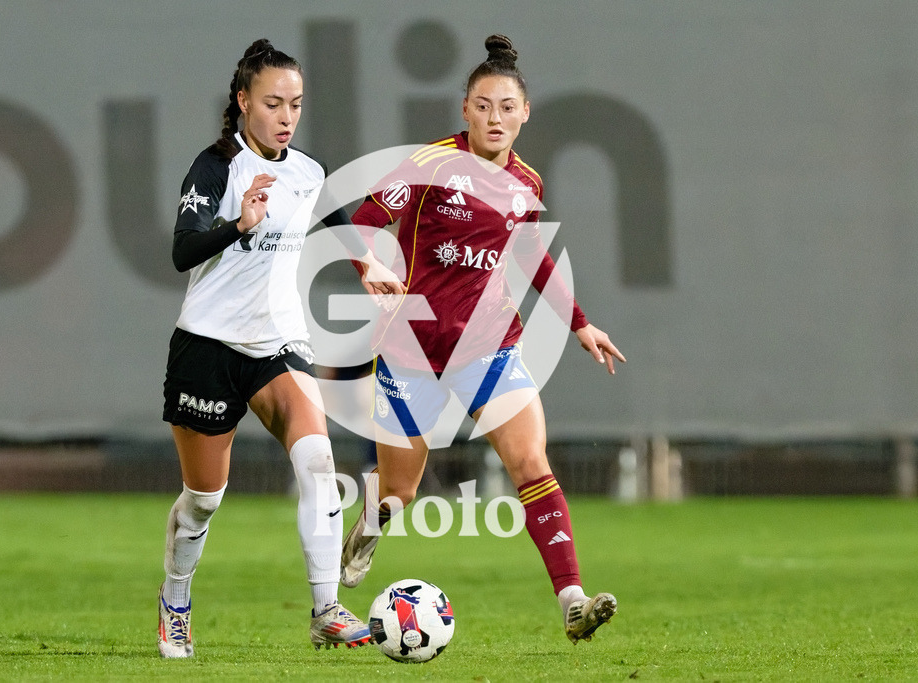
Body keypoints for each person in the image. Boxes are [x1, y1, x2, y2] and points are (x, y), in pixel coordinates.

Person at [340, 34, 626, 645]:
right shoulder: (426, 166)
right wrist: (370, 266)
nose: (495, 118)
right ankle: (371, 519)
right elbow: (360, 223)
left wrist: (579, 323)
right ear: (464, 111)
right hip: (410, 348)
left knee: (530, 463)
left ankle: (572, 599)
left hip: (489, 347)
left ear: (525, 114)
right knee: (400, 491)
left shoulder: (527, 184)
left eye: (507, 107)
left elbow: (533, 262)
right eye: (483, 106)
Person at [157, 38, 400, 658]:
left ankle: (325, 610)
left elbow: (334, 213)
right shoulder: (216, 167)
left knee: (318, 464)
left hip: (279, 345)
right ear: (243, 102)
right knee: (204, 501)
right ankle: (175, 603)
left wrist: (367, 262)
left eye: (295, 103)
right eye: (273, 103)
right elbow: (183, 250)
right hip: (208, 347)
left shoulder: (307, 168)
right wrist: (239, 225)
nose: (287, 116)